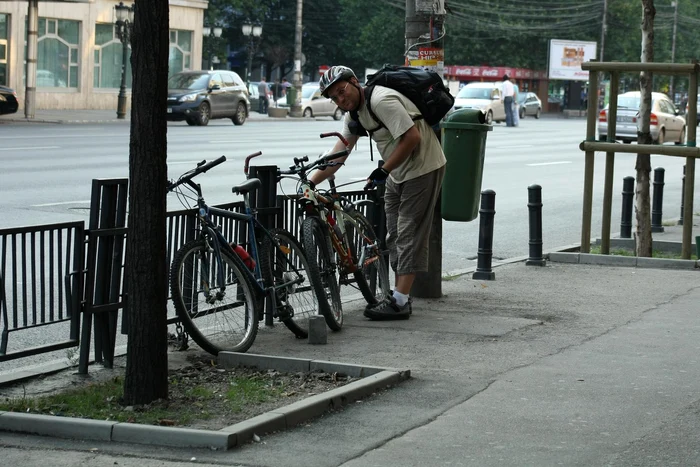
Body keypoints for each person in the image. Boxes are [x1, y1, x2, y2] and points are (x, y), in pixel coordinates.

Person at [309, 65, 446, 321]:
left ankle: (400, 303)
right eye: (335, 98)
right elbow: (339, 154)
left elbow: (412, 137)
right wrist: (311, 182)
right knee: (394, 233)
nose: (341, 99)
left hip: (423, 166)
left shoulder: (381, 100)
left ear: (353, 81)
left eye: (342, 91)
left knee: (408, 231)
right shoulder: (354, 115)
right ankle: (399, 295)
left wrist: (384, 169)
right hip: (398, 171)